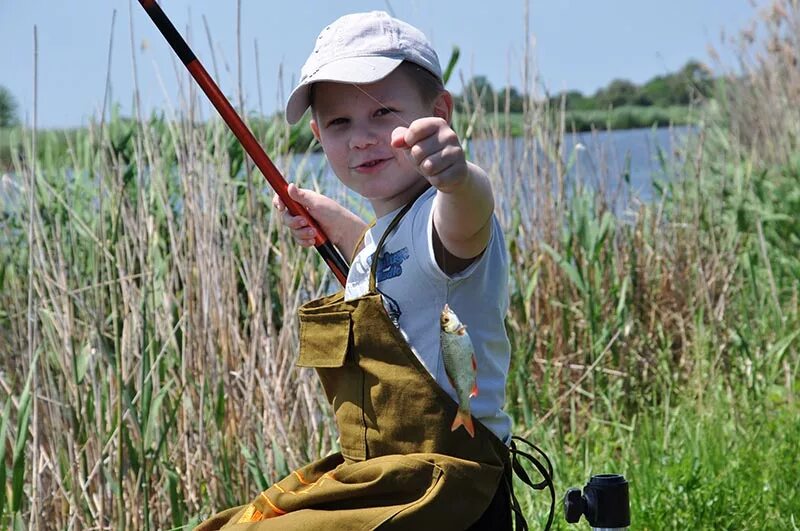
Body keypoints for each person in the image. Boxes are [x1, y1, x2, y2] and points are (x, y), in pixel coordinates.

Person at [196, 11, 548, 531]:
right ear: (318, 134)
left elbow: (468, 222)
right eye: (339, 123)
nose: (361, 137)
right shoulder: (387, 234)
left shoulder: (444, 215)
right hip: (381, 476)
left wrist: (459, 175)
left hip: (444, 484)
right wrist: (339, 226)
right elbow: (397, 268)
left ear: (438, 113)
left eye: (383, 113)